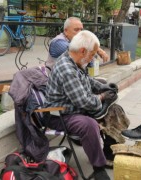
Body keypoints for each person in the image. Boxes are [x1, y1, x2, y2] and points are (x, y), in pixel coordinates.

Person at [44, 30, 118, 180]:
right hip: (58, 114)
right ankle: (98, 168)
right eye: (92, 54)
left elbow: (87, 81)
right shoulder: (67, 68)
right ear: (83, 50)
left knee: (114, 109)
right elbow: (83, 101)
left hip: (74, 108)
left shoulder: (74, 58)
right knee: (88, 124)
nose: (92, 58)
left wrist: (103, 87)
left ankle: (108, 152)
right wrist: (102, 97)